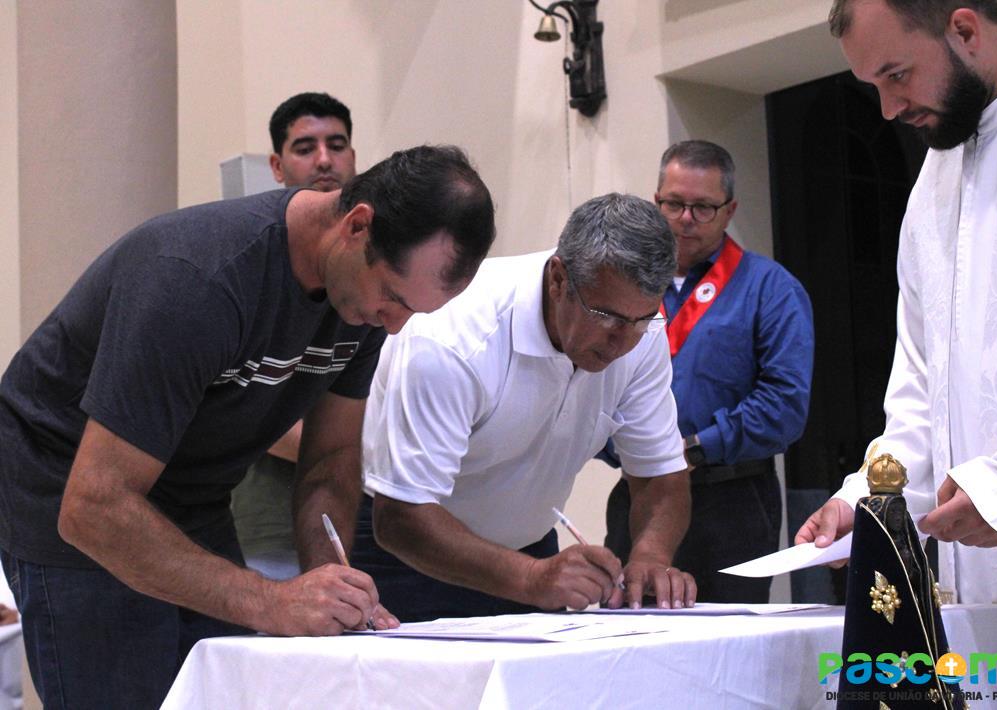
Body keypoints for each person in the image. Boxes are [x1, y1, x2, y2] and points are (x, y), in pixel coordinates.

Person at [0, 144, 496, 709]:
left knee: (231, 690)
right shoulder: (196, 280)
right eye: (393, 299)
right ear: (358, 226)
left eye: (414, 312)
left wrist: (331, 582)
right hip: (70, 488)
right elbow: (95, 505)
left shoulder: (361, 301)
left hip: (192, 492)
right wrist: (274, 602)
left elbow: (331, 459)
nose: (396, 324)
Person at [353, 193, 698, 622]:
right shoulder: (452, 335)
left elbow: (660, 474)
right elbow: (401, 515)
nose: (622, 341)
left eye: (642, 319)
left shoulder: (640, 333)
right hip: (409, 556)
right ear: (558, 279)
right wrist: (531, 579)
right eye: (606, 316)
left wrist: (651, 555)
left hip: (530, 555)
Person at [796, 0, 997, 604]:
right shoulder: (934, 183)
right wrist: (868, 501)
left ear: (965, 29)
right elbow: (923, 392)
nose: (889, 109)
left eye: (896, 76)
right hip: (979, 593)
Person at [602, 140, 814, 603]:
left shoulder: (770, 288)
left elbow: (784, 406)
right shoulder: (623, 286)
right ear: (656, 200)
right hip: (637, 493)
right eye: (674, 204)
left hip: (730, 500)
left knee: (726, 645)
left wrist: (692, 449)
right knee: (626, 628)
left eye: (702, 207)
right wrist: (609, 441)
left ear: (730, 208)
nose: (684, 219)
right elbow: (590, 379)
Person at [231, 91, 357, 580]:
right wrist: (366, 460)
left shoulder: (369, 260)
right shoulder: (257, 260)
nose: (324, 159)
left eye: (337, 144)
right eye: (305, 148)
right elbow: (248, 408)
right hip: (270, 525)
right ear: (277, 166)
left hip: (356, 518)